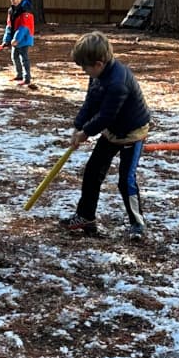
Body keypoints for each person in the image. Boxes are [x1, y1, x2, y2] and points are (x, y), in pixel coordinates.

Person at [64, 31, 152, 240]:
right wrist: (78, 126)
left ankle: (137, 224)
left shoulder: (117, 83)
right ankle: (86, 217)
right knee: (93, 171)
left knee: (125, 180)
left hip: (132, 132)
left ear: (99, 63)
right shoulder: (97, 76)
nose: (84, 71)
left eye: (85, 67)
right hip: (113, 131)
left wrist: (86, 133)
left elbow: (105, 116)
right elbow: (91, 103)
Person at [0, 0, 37, 89]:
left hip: (24, 39)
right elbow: (9, 26)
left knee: (24, 58)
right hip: (15, 40)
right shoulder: (11, 11)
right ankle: (19, 74)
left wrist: (16, 39)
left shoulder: (26, 11)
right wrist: (6, 40)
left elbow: (24, 27)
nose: (14, 0)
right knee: (14, 57)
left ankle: (27, 77)